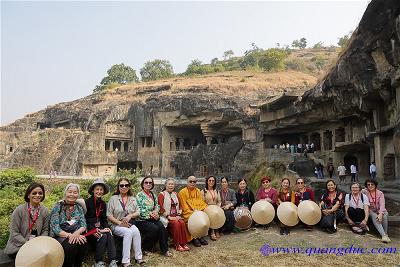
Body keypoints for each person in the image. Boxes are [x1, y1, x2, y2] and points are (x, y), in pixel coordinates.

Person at [5, 182, 50, 259]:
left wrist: (39, 242)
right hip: (19, 246)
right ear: (28, 195)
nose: (37, 195)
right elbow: (14, 233)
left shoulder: (44, 211)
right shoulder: (19, 210)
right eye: (34, 193)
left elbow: (45, 230)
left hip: (37, 246)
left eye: (40, 193)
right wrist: (28, 244)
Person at [107, 178, 144, 266]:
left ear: (129, 187)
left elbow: (138, 212)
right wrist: (120, 223)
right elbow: (109, 215)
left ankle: (138, 258)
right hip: (116, 224)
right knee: (128, 232)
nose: (124, 187)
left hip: (128, 223)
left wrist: (130, 215)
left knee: (136, 231)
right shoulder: (113, 199)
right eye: (122, 185)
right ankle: (126, 261)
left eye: (126, 185)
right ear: (118, 187)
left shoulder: (133, 199)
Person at [50, 183, 88, 267]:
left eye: (75, 192)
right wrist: (70, 235)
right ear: (65, 193)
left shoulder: (79, 207)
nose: (72, 194)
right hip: (61, 236)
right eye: (70, 192)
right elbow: (55, 227)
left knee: (83, 242)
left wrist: (77, 233)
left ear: (78, 194)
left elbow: (83, 225)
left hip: (76, 233)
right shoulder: (57, 206)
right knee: (71, 245)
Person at [85, 179, 117, 267]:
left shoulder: (103, 204)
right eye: (97, 189)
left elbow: (104, 220)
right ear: (93, 190)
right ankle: (98, 261)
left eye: (101, 190)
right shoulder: (87, 202)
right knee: (103, 236)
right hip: (90, 230)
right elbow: (84, 220)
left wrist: (107, 227)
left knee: (109, 234)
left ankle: (112, 261)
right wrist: (93, 230)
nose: (99, 191)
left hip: (100, 228)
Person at [136, 177, 171, 257]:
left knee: (162, 227)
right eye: (146, 182)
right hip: (142, 220)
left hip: (153, 218)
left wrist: (156, 212)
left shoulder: (153, 194)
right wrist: (150, 214)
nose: (148, 184)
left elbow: (157, 206)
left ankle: (164, 250)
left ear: (152, 184)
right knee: (153, 228)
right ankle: (146, 248)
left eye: (150, 183)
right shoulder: (139, 195)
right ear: (143, 184)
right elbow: (138, 209)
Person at [158, 178, 190, 252]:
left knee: (182, 222)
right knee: (176, 223)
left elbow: (180, 206)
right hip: (166, 217)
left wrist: (179, 213)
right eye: (169, 184)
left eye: (172, 184)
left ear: (174, 185)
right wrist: (168, 216)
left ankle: (183, 243)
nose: (170, 186)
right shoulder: (162, 194)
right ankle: (177, 244)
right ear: (165, 185)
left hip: (176, 216)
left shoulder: (175, 194)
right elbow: (160, 208)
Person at [178, 175, 208, 247]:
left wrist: (198, 212)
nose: (192, 183)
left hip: (197, 211)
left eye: (194, 181)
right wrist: (193, 213)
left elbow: (201, 203)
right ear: (187, 182)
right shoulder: (182, 192)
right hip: (187, 213)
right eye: (190, 181)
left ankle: (200, 236)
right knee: (192, 219)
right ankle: (194, 238)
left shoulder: (198, 191)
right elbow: (184, 206)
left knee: (203, 217)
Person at [201, 176, 221, 240]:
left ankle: (217, 230)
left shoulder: (216, 190)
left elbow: (219, 201)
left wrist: (218, 207)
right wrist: (208, 208)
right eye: (210, 180)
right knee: (211, 214)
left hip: (216, 207)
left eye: (213, 181)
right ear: (207, 181)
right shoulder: (203, 191)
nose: (211, 182)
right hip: (207, 208)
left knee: (217, 213)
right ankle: (212, 232)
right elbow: (202, 202)